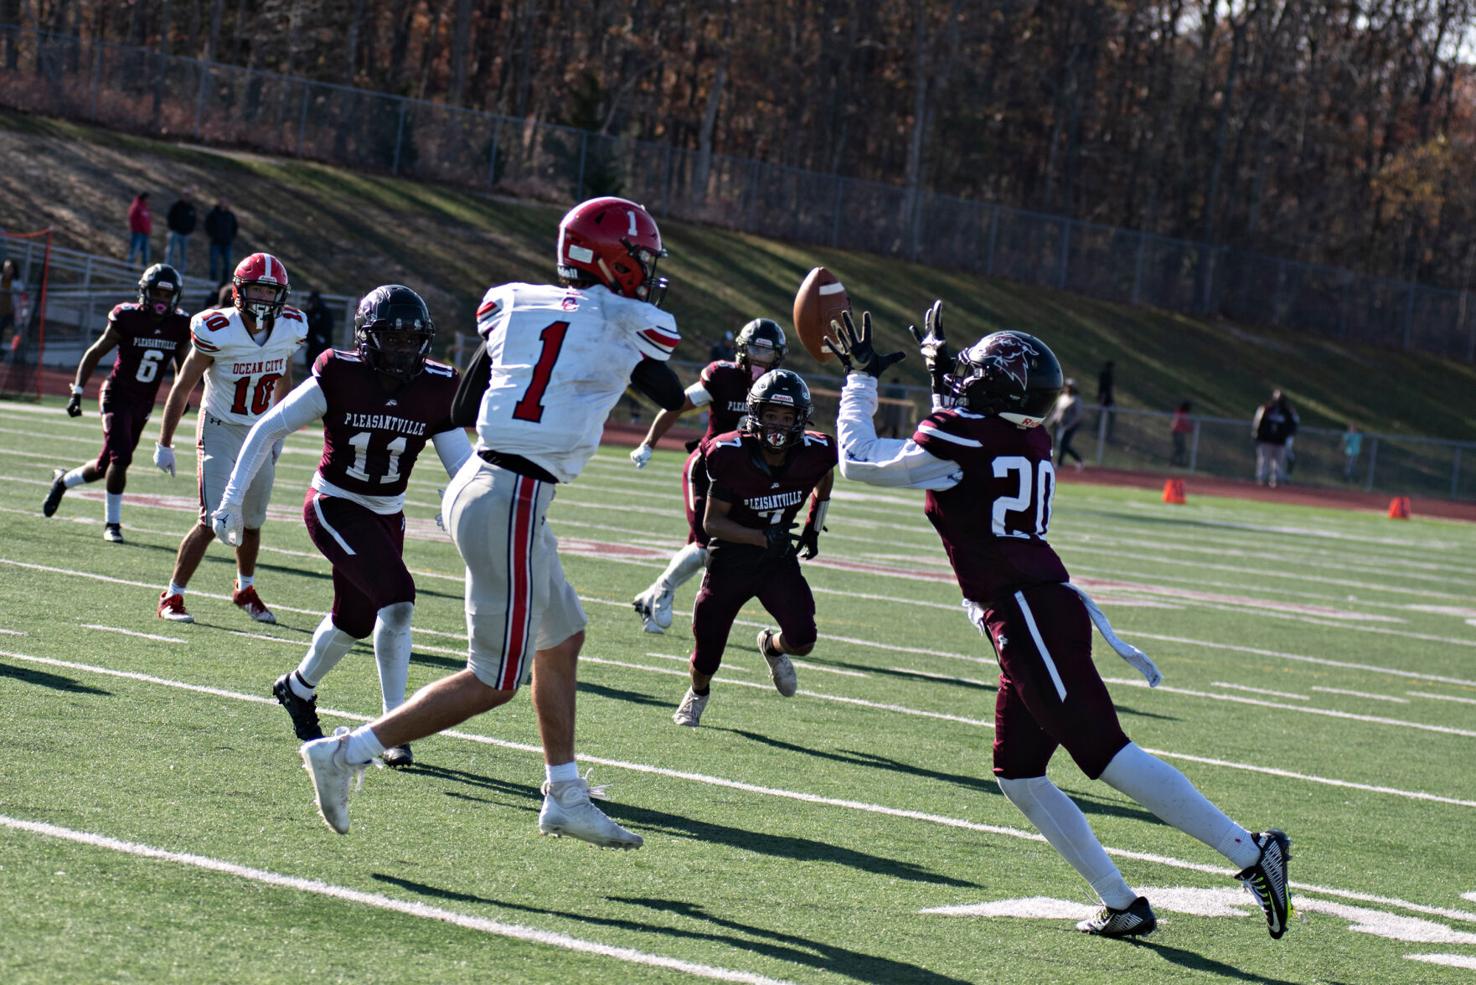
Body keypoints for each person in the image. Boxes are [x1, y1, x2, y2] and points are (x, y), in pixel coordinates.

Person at [828, 300, 1292, 941]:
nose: (964, 381)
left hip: (1028, 612)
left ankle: (1251, 851)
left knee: (1105, 753)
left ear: (995, 389)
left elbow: (857, 459)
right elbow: (962, 431)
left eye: (974, 375)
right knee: (1018, 775)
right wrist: (942, 369)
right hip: (1032, 609)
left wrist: (859, 379)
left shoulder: (969, 436)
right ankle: (1122, 902)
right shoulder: (1024, 432)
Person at [297, 195, 685, 848]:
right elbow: (671, 394)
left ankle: (565, 791)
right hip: (514, 494)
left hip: (490, 480)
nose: (648, 271)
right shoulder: (621, 323)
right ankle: (346, 751)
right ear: (611, 259)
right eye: (641, 258)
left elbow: (466, 399)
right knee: (494, 680)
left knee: (562, 636)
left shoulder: (518, 304)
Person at [212, 285, 470, 769]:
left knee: (354, 620)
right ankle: (395, 727)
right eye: (391, 339)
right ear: (366, 339)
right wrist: (230, 499)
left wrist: (463, 498)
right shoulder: (340, 374)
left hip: (387, 513)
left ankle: (297, 688)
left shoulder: (436, 387)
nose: (402, 349)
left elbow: (463, 463)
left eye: (411, 339)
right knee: (398, 601)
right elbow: (267, 427)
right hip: (335, 504)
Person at [671, 369, 834, 728]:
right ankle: (698, 694)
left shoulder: (815, 452)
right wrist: (761, 537)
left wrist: (814, 523)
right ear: (755, 414)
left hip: (776, 562)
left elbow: (825, 475)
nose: (778, 424)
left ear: (801, 420)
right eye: (771, 414)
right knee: (706, 655)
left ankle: (772, 647)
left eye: (787, 417)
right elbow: (713, 523)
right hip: (731, 562)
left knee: (804, 639)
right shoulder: (734, 455)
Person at [152, 253, 306, 623]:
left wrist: (279, 427)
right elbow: (183, 386)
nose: (263, 299)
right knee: (212, 520)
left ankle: (245, 587)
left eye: (270, 292)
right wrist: (164, 441)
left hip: (260, 432)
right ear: (239, 290)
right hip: (220, 428)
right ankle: (171, 597)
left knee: (253, 520)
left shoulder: (290, 327)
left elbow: (284, 375)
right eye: (256, 289)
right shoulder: (217, 328)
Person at [628, 317, 788, 633]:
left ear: (778, 356)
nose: (759, 358)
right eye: (755, 348)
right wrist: (649, 443)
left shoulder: (780, 388)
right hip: (708, 470)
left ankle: (652, 596)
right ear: (742, 349)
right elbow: (676, 404)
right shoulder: (722, 377)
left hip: (744, 478)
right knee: (708, 545)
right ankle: (663, 592)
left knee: (710, 551)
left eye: (766, 353)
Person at [41, 264, 191, 541]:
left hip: (144, 401)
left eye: (166, 295)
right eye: (156, 293)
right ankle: (113, 525)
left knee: (104, 467)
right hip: (116, 395)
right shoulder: (127, 317)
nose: (161, 300)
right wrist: (77, 391)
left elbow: (184, 366)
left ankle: (62, 481)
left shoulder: (180, 325)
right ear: (145, 292)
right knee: (121, 459)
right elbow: (95, 352)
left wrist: (184, 396)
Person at [1252, 389, 1296, 488]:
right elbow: (1259, 423)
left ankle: (1277, 482)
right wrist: (1257, 435)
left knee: (1279, 463)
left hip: (1280, 442)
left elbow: (1292, 426)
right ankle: (1261, 480)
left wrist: (1286, 437)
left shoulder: (1287, 412)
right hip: (1266, 440)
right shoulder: (1266, 409)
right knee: (1264, 461)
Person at [1044, 377, 1085, 471]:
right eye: (1066, 386)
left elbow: (1078, 415)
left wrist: (1069, 425)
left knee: (1064, 444)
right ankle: (1063, 462)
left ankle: (1062, 463)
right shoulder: (1062, 397)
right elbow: (1057, 412)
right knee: (1058, 444)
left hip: (1070, 425)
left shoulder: (1076, 399)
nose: (1068, 388)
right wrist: (1049, 423)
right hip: (1060, 424)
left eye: (1070, 387)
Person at [205, 200, 238, 282]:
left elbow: (235, 227)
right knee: (214, 264)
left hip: (227, 243)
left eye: (226, 202)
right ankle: (212, 281)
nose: (224, 204)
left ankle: (225, 282)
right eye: (222, 202)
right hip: (215, 243)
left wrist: (231, 237)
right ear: (219, 203)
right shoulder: (213, 213)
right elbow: (207, 225)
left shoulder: (230, 215)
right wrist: (212, 235)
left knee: (227, 264)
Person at [165, 194, 196, 274]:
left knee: (183, 254)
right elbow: (170, 216)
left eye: (188, 196)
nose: (187, 198)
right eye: (185, 196)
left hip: (185, 234)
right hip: (175, 232)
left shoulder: (191, 208)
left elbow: (194, 221)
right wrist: (172, 227)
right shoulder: (176, 205)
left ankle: (181, 272)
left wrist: (189, 230)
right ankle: (167, 268)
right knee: (170, 251)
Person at [304, 290, 335, 365]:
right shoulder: (310, 312)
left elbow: (328, 326)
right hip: (313, 344)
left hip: (322, 343)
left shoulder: (324, 312)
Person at [126, 193, 152, 266]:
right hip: (138, 233)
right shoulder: (136, 206)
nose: (148, 200)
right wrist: (137, 228)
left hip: (145, 234)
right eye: (147, 198)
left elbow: (148, 220)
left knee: (146, 253)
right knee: (134, 250)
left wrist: (148, 230)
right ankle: (129, 266)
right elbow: (132, 218)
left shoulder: (145, 208)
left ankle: (145, 268)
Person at [1096, 360, 1115, 441]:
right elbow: (1105, 388)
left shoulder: (1105, 374)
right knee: (1107, 416)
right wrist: (1102, 399)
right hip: (1106, 400)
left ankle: (1104, 433)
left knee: (1105, 416)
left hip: (1106, 399)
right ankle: (1104, 433)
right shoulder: (1106, 375)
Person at [1170, 401, 1193, 467]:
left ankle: (1179, 462)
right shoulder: (1181, 413)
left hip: (1179, 432)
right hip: (1178, 432)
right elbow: (1184, 422)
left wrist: (1189, 428)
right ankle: (1174, 462)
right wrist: (1190, 428)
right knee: (1179, 448)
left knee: (1181, 449)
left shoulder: (1181, 412)